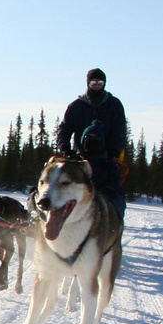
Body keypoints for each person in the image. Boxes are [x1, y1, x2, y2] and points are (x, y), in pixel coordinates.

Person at [55, 67, 128, 219]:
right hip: (80, 160)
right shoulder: (76, 106)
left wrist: (114, 150)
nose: (97, 85)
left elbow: (119, 129)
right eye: (94, 82)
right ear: (88, 83)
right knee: (62, 189)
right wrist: (65, 149)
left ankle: (114, 224)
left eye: (100, 82)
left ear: (104, 84)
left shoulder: (113, 105)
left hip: (106, 160)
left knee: (114, 196)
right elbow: (65, 128)